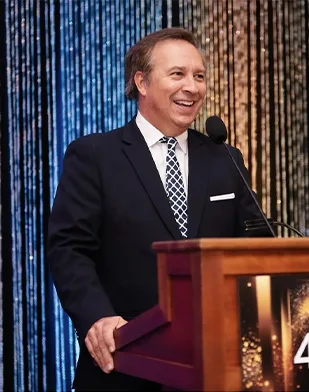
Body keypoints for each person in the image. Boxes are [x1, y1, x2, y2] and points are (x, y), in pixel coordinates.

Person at [47, 27, 259, 391]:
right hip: (126, 363)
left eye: (199, 76)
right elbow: (69, 249)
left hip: (216, 366)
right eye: (177, 74)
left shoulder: (225, 158)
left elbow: (253, 246)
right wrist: (96, 318)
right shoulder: (95, 156)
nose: (192, 87)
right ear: (141, 82)